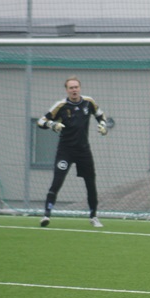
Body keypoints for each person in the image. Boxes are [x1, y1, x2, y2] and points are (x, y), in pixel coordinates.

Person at [37, 76, 109, 228]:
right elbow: (41, 121)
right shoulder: (61, 105)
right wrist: (53, 125)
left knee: (90, 183)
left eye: (76, 87)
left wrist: (103, 126)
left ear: (80, 88)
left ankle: (94, 217)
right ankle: (46, 215)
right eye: (71, 88)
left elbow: (101, 116)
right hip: (65, 151)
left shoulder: (89, 102)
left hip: (83, 151)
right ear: (67, 90)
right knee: (57, 182)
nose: (74, 90)